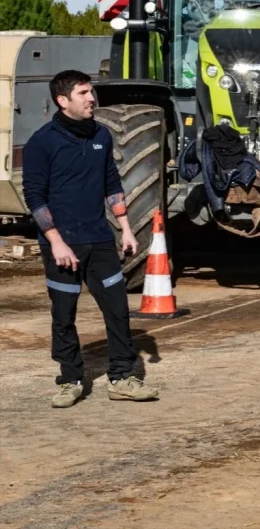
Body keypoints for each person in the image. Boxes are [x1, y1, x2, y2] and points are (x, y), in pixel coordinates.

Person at [21, 70, 159, 408]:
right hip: (63, 245)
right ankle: (70, 380)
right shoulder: (42, 142)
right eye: (83, 93)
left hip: (99, 240)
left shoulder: (101, 135)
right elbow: (34, 197)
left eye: (91, 91)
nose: (91, 98)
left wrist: (125, 227)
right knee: (63, 316)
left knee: (117, 311)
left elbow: (112, 183)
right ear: (63, 100)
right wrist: (55, 241)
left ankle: (122, 377)